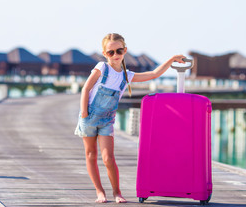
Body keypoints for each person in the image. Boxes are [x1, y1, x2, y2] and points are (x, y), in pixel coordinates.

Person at [74, 33, 186, 203]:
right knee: (90, 154)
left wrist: (171, 59)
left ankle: (116, 192)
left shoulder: (127, 76)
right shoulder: (101, 68)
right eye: (110, 52)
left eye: (119, 50)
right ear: (105, 54)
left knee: (108, 158)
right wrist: (84, 112)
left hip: (107, 120)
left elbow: (154, 74)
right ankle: (99, 191)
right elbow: (86, 89)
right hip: (89, 116)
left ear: (125, 50)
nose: (115, 55)